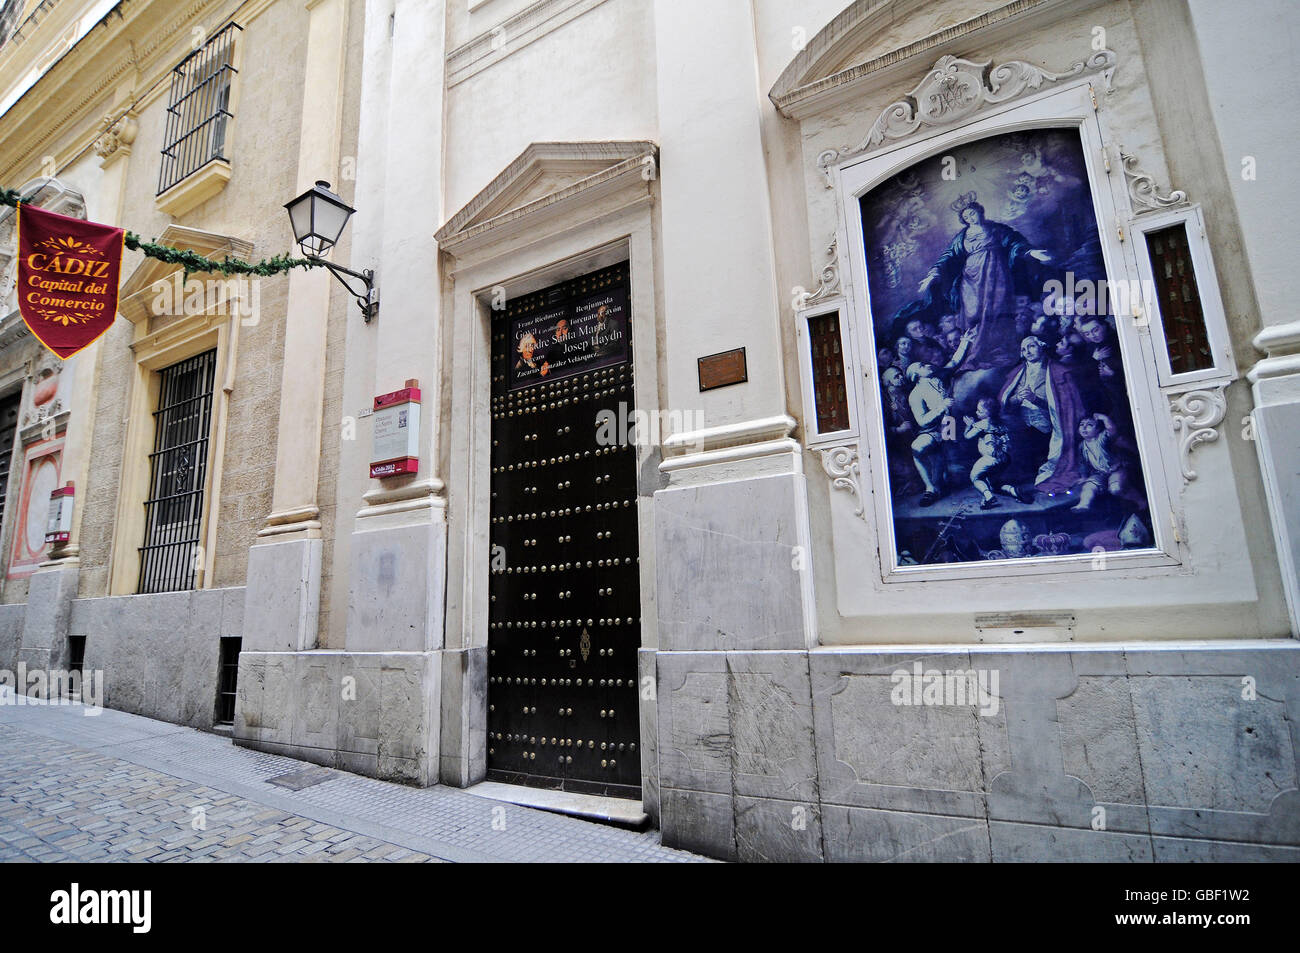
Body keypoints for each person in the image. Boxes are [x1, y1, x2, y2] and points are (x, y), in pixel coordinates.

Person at [998, 335, 1086, 495]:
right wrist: (1017, 398)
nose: (1027, 351)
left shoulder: (1059, 372)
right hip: (1023, 424)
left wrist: (1035, 399)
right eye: (1024, 349)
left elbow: (1063, 409)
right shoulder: (1018, 372)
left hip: (1047, 428)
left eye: (1031, 346)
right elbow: (1005, 404)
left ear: (1042, 347)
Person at [1072, 413, 1144, 511]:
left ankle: (1140, 501)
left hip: (1116, 469)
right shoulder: (1082, 446)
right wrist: (1084, 476)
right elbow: (1082, 463)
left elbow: (1112, 430)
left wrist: (1104, 418)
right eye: (1082, 425)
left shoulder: (1102, 438)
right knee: (1088, 486)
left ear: (1098, 430)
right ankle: (1084, 504)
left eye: (1089, 425)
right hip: (1100, 473)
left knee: (1116, 488)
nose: (1084, 427)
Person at [906, 361, 953, 506]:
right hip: (933, 429)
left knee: (941, 456)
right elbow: (922, 421)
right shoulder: (915, 395)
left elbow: (953, 364)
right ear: (916, 376)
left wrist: (966, 343)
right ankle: (931, 487)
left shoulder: (936, 381)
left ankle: (937, 486)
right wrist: (941, 407)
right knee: (917, 448)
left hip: (949, 425)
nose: (926, 365)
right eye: (921, 366)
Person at [963, 397, 1010, 509]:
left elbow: (967, 436)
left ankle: (988, 497)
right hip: (1005, 458)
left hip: (990, 458)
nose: (976, 412)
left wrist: (969, 425)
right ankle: (1012, 490)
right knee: (993, 483)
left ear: (988, 413)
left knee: (975, 477)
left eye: (980, 411)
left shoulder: (982, 424)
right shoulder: (1001, 424)